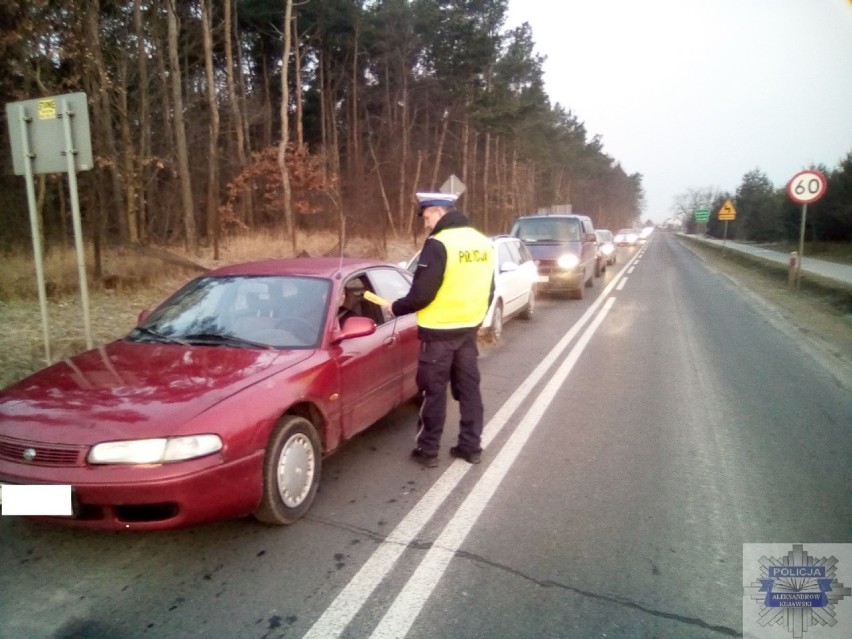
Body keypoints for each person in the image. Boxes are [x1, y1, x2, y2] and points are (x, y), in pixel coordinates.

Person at [382, 191, 494, 467]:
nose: (424, 222)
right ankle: (471, 447)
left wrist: (395, 307)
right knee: (469, 390)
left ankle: (427, 450)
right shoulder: (483, 242)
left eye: (426, 215)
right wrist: (476, 319)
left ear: (440, 211)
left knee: (433, 393)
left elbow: (422, 294)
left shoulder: (438, 243)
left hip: (438, 334)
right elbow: (489, 288)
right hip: (468, 331)